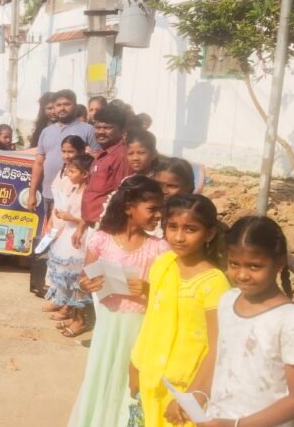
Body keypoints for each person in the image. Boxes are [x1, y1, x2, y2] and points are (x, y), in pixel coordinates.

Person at [194, 216, 294, 427]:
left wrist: (236, 425)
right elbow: (217, 356)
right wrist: (196, 396)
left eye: (254, 266)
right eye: (234, 264)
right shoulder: (227, 300)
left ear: (279, 263)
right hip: (217, 418)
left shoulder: (291, 322)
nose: (242, 275)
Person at [68, 176, 169, 426]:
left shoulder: (159, 248)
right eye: (152, 209)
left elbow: (167, 294)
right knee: (103, 374)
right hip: (108, 324)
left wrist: (148, 289)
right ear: (128, 208)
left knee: (128, 380)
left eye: (160, 209)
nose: (158, 215)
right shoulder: (102, 239)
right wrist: (86, 284)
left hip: (140, 326)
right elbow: (84, 276)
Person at [130, 194, 231, 427]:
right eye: (172, 227)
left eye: (190, 229)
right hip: (151, 376)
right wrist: (135, 364)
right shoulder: (163, 264)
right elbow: (152, 320)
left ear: (209, 234)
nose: (178, 237)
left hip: (185, 387)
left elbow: (218, 346)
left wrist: (191, 397)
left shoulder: (214, 283)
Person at [27, 89, 99, 218]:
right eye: (58, 105)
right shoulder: (46, 131)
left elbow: (94, 162)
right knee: (49, 228)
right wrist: (32, 193)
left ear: (75, 106)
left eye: (67, 104)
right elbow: (38, 163)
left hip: (72, 196)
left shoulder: (88, 130)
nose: (62, 108)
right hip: (48, 193)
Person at [42, 137, 90, 315]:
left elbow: (86, 215)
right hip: (61, 224)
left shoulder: (85, 189)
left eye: (71, 151)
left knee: (72, 271)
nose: (67, 155)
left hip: (75, 231)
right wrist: (51, 220)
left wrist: (70, 219)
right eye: (64, 151)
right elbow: (58, 200)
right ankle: (59, 299)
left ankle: (69, 306)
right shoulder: (65, 174)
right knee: (59, 267)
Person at [74, 104, 132, 246]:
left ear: (122, 131)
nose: (100, 132)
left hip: (108, 229)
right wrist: (81, 226)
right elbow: (93, 194)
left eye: (107, 128)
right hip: (94, 226)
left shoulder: (121, 157)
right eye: (98, 127)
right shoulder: (102, 154)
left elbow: (122, 198)